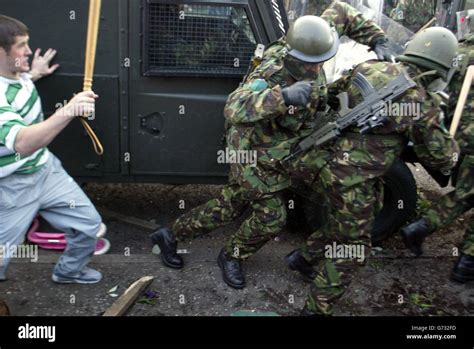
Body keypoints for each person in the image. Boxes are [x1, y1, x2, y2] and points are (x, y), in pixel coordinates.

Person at [151, 1, 389, 289]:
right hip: (251, 149)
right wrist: (282, 96)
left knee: (232, 203)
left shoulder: (312, 38)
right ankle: (231, 256)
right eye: (310, 62)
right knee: (271, 217)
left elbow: (340, 11)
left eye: (322, 60)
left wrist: (378, 39)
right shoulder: (273, 70)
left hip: (282, 142)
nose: (317, 67)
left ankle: (169, 236)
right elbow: (234, 108)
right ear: (293, 54)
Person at [285, 26, 460, 315]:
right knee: (355, 249)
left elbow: (331, 94)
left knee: (349, 221)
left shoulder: (369, 67)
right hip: (354, 179)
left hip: (329, 167)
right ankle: (314, 309)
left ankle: (303, 259)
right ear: (440, 66)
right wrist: (449, 141)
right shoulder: (418, 102)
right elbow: (441, 157)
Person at [0, 15, 104, 284]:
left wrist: (33, 73)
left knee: (88, 224)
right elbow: (22, 143)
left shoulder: (17, 73)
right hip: (12, 187)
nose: (28, 51)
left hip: (47, 171)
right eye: (21, 46)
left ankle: (69, 271)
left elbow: (17, 86)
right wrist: (70, 109)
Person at [400, 14, 474, 283]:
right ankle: (467, 264)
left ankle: (422, 227)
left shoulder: (460, 52)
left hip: (456, 133)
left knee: (468, 192)